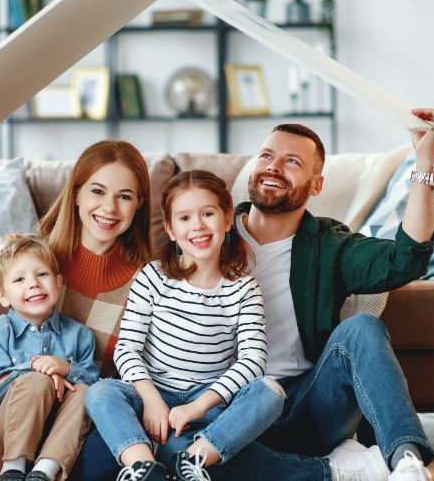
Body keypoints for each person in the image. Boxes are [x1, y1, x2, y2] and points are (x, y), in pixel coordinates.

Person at [202, 109, 434, 481]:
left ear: (316, 185)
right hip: (230, 416)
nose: (273, 167)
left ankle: (405, 463)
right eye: (267, 156)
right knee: (187, 460)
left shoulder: (328, 244)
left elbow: (405, 260)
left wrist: (424, 160)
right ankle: (340, 469)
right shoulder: (207, 238)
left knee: (362, 328)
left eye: (292, 162)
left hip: (309, 409)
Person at [0, 140, 152, 481]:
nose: (109, 207)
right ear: (76, 193)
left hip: (75, 423)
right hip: (9, 412)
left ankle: (29, 471)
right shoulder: (30, 259)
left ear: (139, 203)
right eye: (97, 191)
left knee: (117, 451)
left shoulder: (148, 282)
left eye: (124, 196)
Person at [85, 170, 286, 481]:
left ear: (227, 219)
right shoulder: (152, 277)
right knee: (100, 392)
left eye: (208, 213)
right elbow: (127, 349)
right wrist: (151, 401)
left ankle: (190, 461)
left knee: (270, 392)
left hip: (208, 406)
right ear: (171, 229)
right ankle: (143, 468)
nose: (198, 226)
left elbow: (253, 359)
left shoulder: (244, 288)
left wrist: (198, 407)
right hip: (150, 397)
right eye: (185, 218)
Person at [0, 235, 99, 481]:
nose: (33, 284)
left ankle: (44, 472)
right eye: (19, 279)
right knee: (37, 380)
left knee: (85, 392)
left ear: (58, 282)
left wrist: (66, 368)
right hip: (1, 440)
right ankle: (13, 469)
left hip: (55, 440)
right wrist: (32, 368)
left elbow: (95, 385)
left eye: (41, 274)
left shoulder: (80, 334)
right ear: (3, 296)